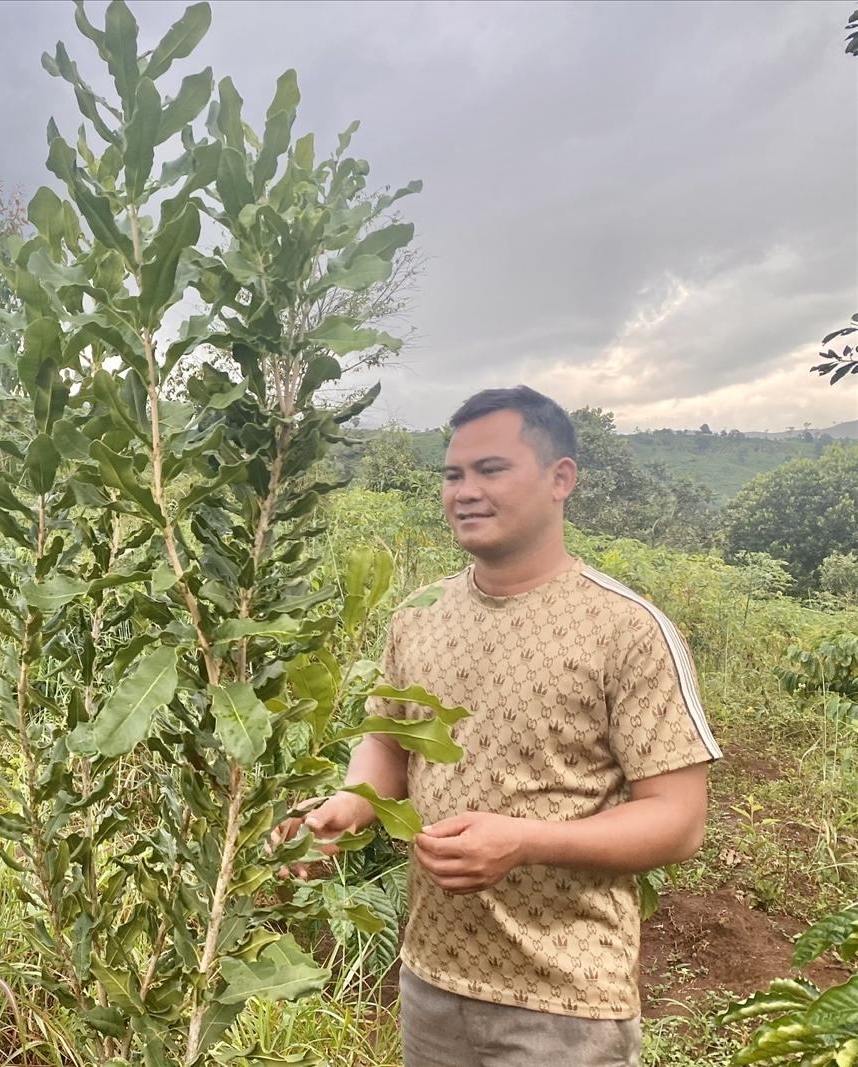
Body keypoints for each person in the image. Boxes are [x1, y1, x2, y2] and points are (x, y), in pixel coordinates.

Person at [286, 386, 717, 1066]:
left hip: (566, 1005)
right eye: (453, 474)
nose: (464, 491)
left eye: (490, 469)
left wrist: (525, 841)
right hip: (431, 980)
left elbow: (678, 818)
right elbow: (388, 742)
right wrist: (350, 804)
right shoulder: (418, 616)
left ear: (560, 479)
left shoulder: (627, 630)